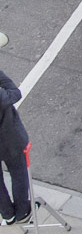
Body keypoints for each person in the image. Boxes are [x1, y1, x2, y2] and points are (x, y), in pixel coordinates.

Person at [0, 69, 31, 226]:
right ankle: (22, 211)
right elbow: (14, 94)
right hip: (9, 138)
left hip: (8, 139)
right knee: (18, 173)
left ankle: (7, 213)